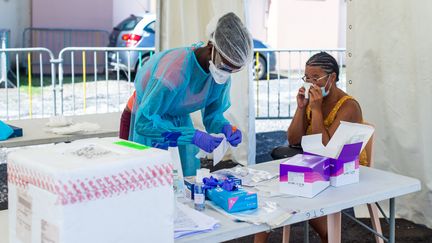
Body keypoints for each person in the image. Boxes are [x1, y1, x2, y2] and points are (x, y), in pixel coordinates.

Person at [119, 12, 253, 177]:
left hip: (178, 123)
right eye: (226, 66)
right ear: (211, 46)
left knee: (182, 181)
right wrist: (193, 135)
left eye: (233, 70)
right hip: (142, 120)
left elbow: (213, 115)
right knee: (145, 181)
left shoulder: (220, 75)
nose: (226, 73)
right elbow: (144, 122)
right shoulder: (174, 71)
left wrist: (224, 128)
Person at [255, 52, 365, 243]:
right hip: (315, 164)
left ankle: (328, 236)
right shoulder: (312, 101)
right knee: (276, 191)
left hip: (340, 168)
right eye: (307, 77)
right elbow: (293, 139)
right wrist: (301, 107)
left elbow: (324, 148)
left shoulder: (349, 106)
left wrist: (315, 109)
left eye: (316, 78)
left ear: (332, 78)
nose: (310, 83)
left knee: (291, 188)